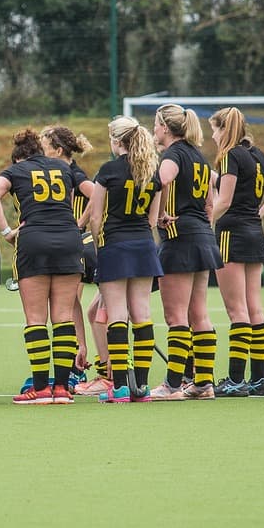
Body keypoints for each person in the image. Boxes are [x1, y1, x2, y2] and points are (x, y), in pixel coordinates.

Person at [0, 129, 85, 405]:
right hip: (68, 238)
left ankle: (41, 388)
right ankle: (64, 388)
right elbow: (93, 192)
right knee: (64, 317)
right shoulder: (63, 167)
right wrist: (83, 223)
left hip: (34, 242)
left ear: (20, 154)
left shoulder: (16, 170)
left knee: (35, 318)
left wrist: (7, 230)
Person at [209, 107, 264, 397]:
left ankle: (235, 380)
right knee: (255, 307)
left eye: (214, 130)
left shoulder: (230, 155)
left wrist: (207, 223)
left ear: (223, 130)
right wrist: (259, 212)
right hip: (255, 233)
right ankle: (259, 380)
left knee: (236, 309)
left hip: (231, 234)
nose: (213, 137)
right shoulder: (256, 154)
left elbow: (225, 200)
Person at [87, 117, 165, 403]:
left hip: (114, 246)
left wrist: (98, 244)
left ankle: (119, 386)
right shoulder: (152, 171)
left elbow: (95, 217)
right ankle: (142, 387)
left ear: (117, 141)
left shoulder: (108, 171)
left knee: (116, 315)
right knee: (142, 314)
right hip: (144, 245)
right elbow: (153, 220)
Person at [149, 104, 220, 401]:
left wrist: (161, 212)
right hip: (202, 234)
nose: (153, 131)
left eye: (155, 126)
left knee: (175, 315)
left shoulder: (173, 155)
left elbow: (160, 181)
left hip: (179, 237)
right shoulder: (199, 156)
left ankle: (173, 384)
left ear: (166, 128)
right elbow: (209, 201)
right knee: (198, 313)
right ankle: (204, 383)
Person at [41, 125, 100, 393]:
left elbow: (97, 193)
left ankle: (79, 364)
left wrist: (81, 222)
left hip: (75, 244)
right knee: (74, 305)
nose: (41, 149)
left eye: (45, 145)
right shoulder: (54, 171)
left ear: (58, 150)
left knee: (70, 305)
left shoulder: (73, 172)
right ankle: (79, 359)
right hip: (67, 241)